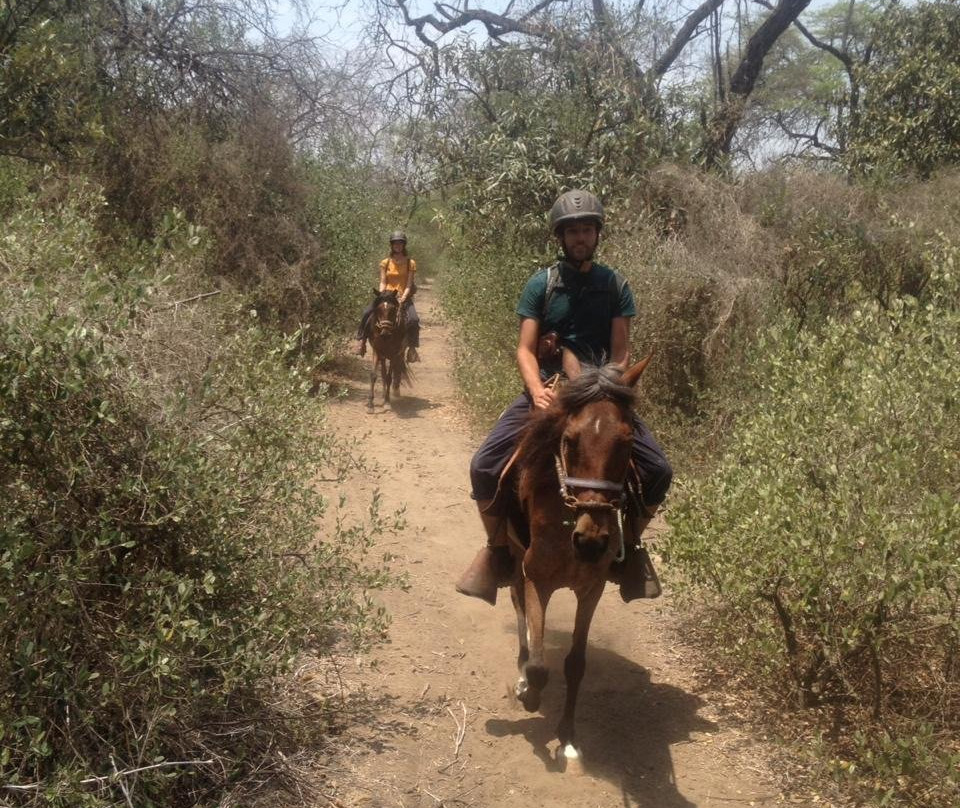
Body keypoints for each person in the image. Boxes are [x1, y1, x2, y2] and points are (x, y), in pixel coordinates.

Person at [455, 189, 673, 605]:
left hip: (601, 395)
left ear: (597, 234)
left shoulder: (615, 285)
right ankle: (498, 550)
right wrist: (537, 390)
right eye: (572, 230)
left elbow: (622, 351)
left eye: (587, 229)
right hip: (549, 392)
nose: (580, 237)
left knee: (658, 470)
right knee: (484, 466)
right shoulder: (542, 284)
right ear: (561, 236)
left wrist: (605, 388)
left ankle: (632, 551)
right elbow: (524, 348)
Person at [355, 231, 421, 362]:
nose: (398, 246)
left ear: (404, 245)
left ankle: (412, 349)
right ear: (392, 245)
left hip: (403, 296)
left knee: (413, 319)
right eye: (395, 243)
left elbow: (408, 284)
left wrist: (404, 297)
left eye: (400, 243)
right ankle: (361, 342)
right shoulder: (385, 262)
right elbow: (383, 281)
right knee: (367, 312)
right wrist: (381, 295)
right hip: (387, 296)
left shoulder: (410, 263)